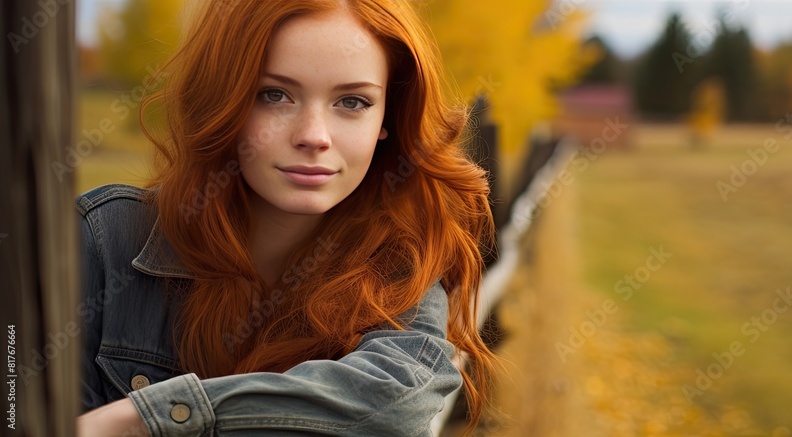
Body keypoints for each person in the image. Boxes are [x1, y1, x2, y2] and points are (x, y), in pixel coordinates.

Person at [75, 1, 495, 435]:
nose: (314, 136)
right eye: (274, 95)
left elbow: (393, 404)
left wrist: (140, 419)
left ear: (387, 117)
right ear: (225, 98)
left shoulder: (400, 267)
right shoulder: (105, 239)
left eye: (352, 101)